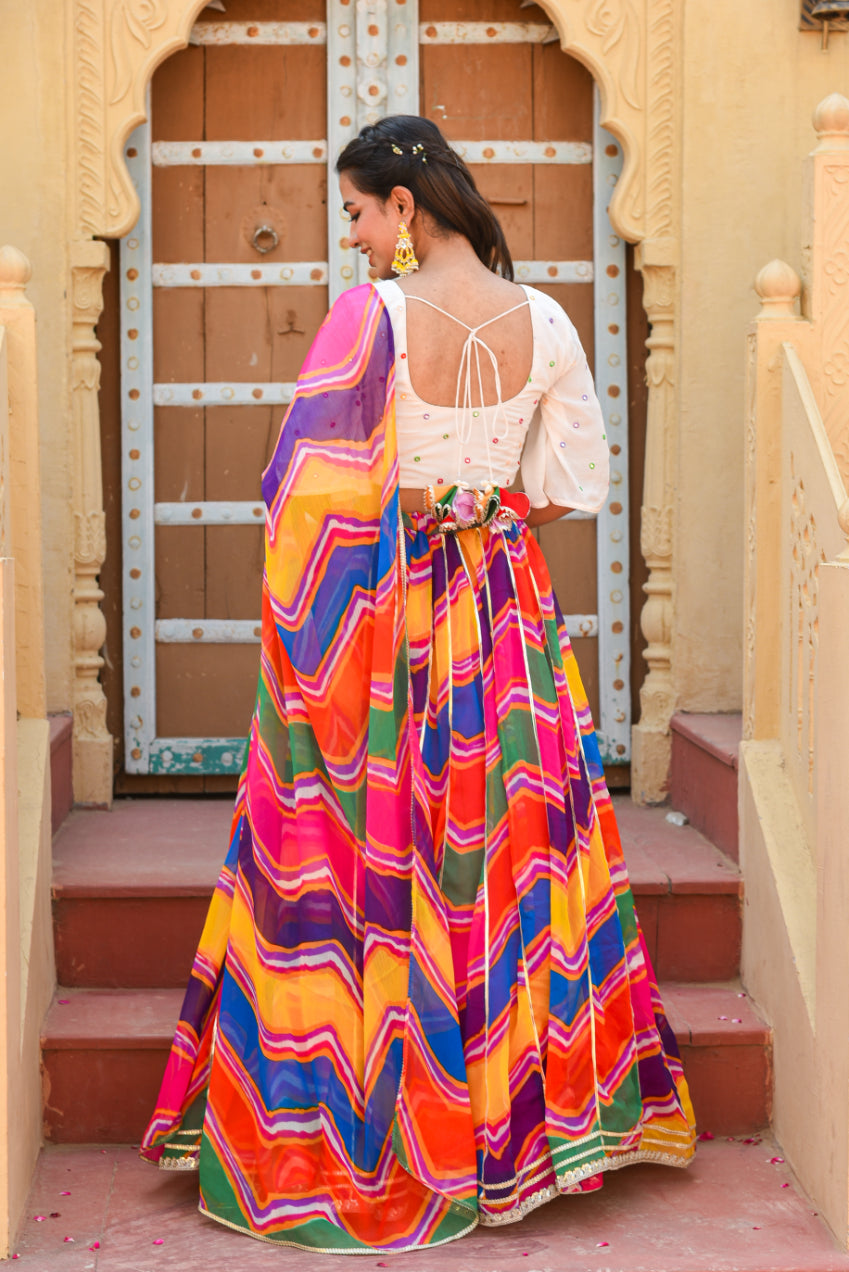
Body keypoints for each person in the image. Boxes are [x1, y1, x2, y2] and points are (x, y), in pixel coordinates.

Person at [140, 115, 696, 1253]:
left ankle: (386, 1132)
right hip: (506, 616)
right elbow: (574, 479)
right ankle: (530, 1128)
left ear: (404, 207)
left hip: (393, 623)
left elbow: (304, 494)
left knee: (380, 859)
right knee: (507, 857)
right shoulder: (542, 318)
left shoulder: (373, 317)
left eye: (353, 210)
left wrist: (352, 592)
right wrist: (483, 516)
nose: (347, 235)